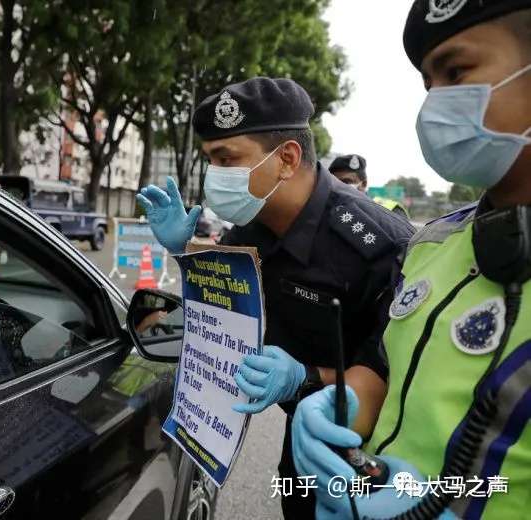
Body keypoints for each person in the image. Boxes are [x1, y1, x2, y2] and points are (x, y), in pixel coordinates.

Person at [292, 2, 531, 518]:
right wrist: (342, 407)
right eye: (429, 84)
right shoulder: (430, 243)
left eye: (456, 72)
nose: (434, 106)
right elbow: (382, 366)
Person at [137, 77, 415, 518]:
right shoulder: (249, 226)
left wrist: (304, 377)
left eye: (227, 159)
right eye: (210, 160)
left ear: (286, 158)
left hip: (375, 448)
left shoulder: (379, 246)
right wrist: (183, 254)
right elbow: (223, 309)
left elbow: (398, 371)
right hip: (299, 437)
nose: (215, 176)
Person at [330, 154, 410, 218]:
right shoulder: (326, 211)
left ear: (364, 184)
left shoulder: (390, 211)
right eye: (335, 183)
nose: (340, 187)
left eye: (346, 182)